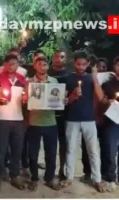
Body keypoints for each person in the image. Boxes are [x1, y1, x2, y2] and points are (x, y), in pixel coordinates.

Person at [60, 51, 105, 192]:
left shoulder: (92, 79)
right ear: (74, 63)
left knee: (93, 150)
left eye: (83, 64)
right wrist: (73, 96)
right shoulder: (67, 78)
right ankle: (69, 177)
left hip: (89, 119)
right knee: (70, 149)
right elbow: (64, 102)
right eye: (78, 64)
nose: (80, 67)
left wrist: (95, 77)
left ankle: (97, 179)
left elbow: (101, 97)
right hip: (71, 119)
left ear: (88, 64)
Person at [0, 54, 27, 193]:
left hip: (18, 119)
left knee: (17, 149)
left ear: (18, 65)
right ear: (4, 65)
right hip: (2, 119)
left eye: (14, 63)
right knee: (0, 150)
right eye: (8, 63)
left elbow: (27, 98)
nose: (11, 66)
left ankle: (15, 175)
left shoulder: (23, 81)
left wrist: (26, 99)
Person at [26, 56, 61, 191]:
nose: (42, 67)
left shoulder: (54, 81)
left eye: (45, 64)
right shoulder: (29, 83)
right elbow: (25, 103)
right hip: (34, 122)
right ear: (35, 66)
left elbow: (57, 100)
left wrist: (61, 101)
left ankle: (49, 178)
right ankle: (34, 178)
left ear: (47, 66)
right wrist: (25, 100)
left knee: (51, 153)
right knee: (33, 154)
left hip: (50, 122)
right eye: (39, 64)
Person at [48, 50, 69, 180]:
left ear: (65, 59)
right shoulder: (47, 73)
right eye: (56, 56)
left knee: (63, 144)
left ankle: (62, 169)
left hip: (64, 115)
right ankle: (50, 172)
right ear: (53, 58)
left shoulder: (69, 75)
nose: (59, 59)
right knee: (50, 146)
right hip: (48, 115)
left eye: (62, 56)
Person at [99, 56, 119, 191]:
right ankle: (109, 177)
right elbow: (102, 101)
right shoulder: (108, 84)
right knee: (109, 150)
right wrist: (108, 102)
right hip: (111, 120)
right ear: (115, 66)